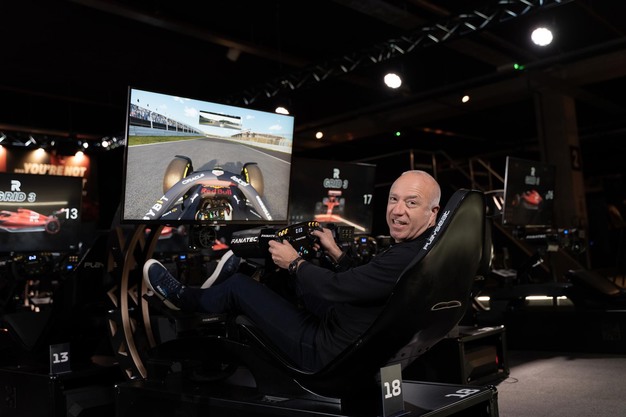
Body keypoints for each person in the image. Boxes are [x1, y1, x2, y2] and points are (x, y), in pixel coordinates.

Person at [144, 169, 441, 372]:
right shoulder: (422, 250)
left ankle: (185, 299)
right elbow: (365, 283)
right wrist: (336, 253)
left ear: (432, 213)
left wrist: (296, 262)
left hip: (326, 351)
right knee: (288, 277)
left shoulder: (404, 257)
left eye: (411, 203)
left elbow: (336, 287)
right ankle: (216, 291)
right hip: (351, 334)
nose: (397, 210)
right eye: (394, 199)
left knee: (240, 286)